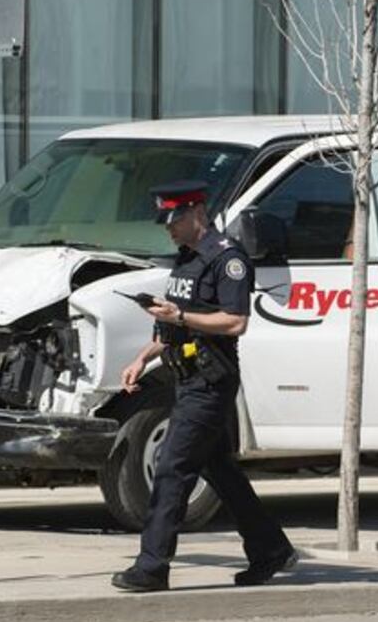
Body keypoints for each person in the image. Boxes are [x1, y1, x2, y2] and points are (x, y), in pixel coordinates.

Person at [111, 179, 297, 593]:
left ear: (197, 214)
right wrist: (143, 357)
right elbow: (174, 321)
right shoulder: (188, 259)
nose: (168, 227)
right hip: (185, 376)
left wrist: (179, 317)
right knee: (221, 472)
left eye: (174, 219)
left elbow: (235, 321)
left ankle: (152, 565)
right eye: (165, 220)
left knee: (172, 469)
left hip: (209, 382)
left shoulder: (227, 260)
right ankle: (270, 550)